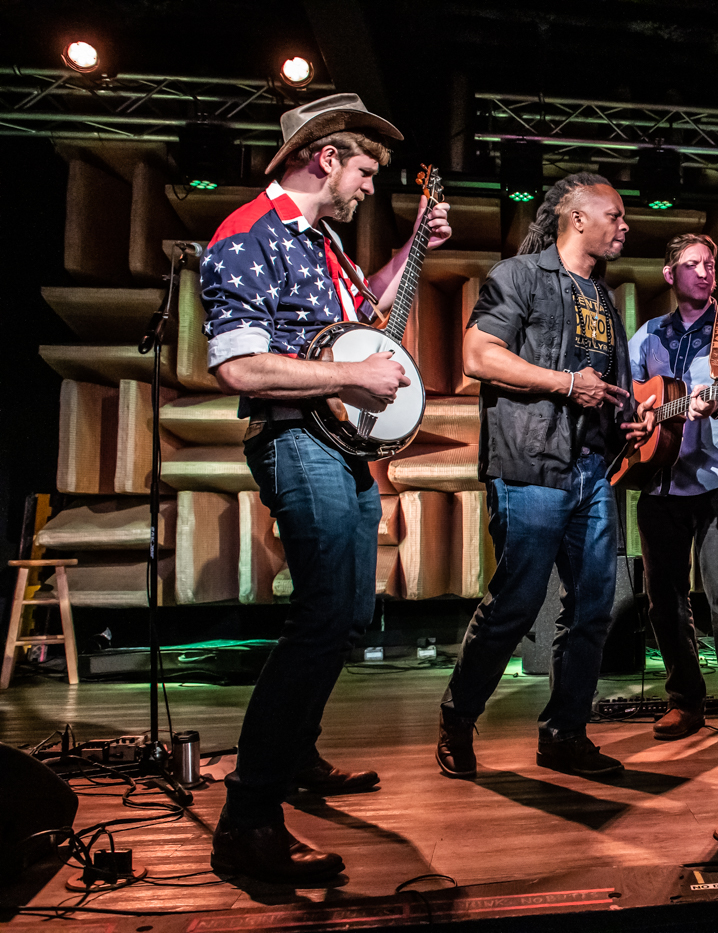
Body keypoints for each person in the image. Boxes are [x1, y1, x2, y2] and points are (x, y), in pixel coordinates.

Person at [201, 93, 452, 883]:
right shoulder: (248, 235)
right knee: (319, 617)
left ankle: (297, 755)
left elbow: (365, 314)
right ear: (327, 158)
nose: (371, 185)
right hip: (295, 440)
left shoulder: (324, 243)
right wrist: (349, 377)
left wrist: (413, 247)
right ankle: (248, 820)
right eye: (366, 170)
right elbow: (238, 365)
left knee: (345, 614)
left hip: (340, 447)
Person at [436, 173, 656, 781]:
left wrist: (628, 424)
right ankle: (458, 715)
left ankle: (564, 734)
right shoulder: (519, 276)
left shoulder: (603, 298)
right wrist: (565, 383)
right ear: (577, 218)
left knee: (592, 610)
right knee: (516, 603)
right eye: (614, 215)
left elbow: (602, 393)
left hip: (592, 471)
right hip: (530, 465)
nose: (625, 225)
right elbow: (478, 355)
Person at [628, 233, 718, 747]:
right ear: (670, 275)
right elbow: (629, 402)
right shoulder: (647, 334)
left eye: (710, 264)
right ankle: (684, 700)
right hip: (659, 483)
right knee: (664, 602)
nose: (705, 272)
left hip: (717, 482)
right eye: (692, 264)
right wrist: (640, 417)